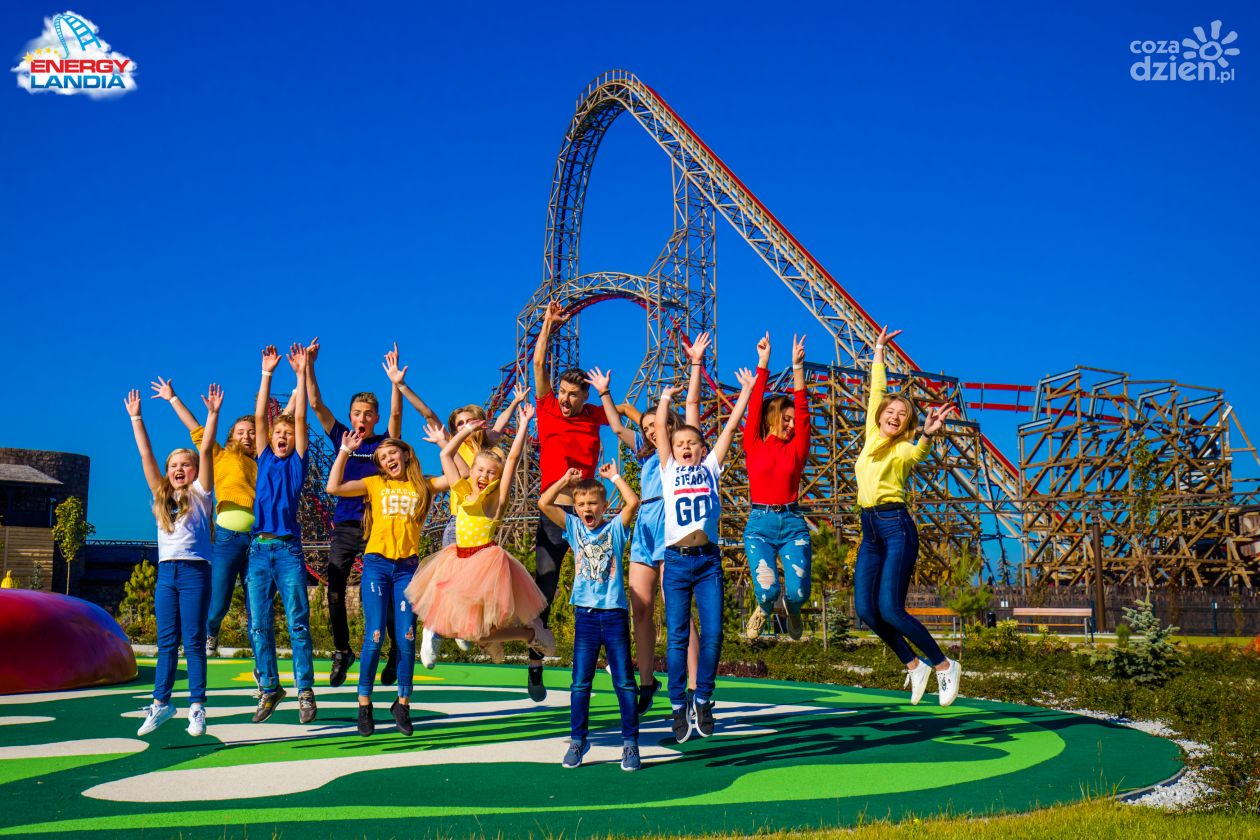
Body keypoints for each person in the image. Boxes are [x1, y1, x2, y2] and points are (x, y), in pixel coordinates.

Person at [586, 334, 708, 715]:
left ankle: (692, 687)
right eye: (649, 425)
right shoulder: (646, 455)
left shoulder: (679, 454)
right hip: (645, 527)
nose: (653, 429)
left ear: (672, 426)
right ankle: (647, 681)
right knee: (640, 607)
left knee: (678, 612)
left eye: (660, 424)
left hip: (672, 526)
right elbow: (619, 429)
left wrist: (695, 366)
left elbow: (692, 406)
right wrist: (606, 394)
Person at [854, 326, 960, 706]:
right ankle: (914, 666)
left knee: (890, 609)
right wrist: (879, 350)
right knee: (865, 609)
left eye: (903, 414)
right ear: (881, 416)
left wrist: (928, 434)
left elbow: (917, 455)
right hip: (869, 530)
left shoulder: (902, 449)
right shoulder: (871, 434)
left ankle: (945, 666)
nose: (895, 416)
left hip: (896, 525)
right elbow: (877, 390)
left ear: (908, 424)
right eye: (891, 411)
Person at [654, 364, 756, 743]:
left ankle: (705, 698)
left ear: (701, 448)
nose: (684, 447)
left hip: (708, 560)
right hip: (677, 561)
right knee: (678, 636)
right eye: (679, 443)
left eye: (691, 443)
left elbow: (729, 428)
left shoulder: (711, 467)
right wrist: (665, 400)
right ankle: (678, 704)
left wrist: (745, 391)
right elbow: (663, 435)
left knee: (714, 633)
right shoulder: (667, 470)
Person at [406, 407, 555, 665]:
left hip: (486, 567)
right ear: (471, 471)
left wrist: (523, 426)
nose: (484, 476)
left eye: (490, 473)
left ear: (496, 478)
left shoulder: (495, 502)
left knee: (481, 632)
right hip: (458, 561)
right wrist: (465, 431)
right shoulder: (462, 493)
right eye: (480, 470)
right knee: (468, 629)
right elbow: (446, 453)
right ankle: (490, 642)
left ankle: (529, 634)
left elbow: (511, 460)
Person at [326, 433, 445, 737]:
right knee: (375, 635)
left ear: (405, 454)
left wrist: (445, 445)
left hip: (407, 567)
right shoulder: (374, 484)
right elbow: (333, 487)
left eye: (393, 453)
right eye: (382, 457)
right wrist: (344, 451)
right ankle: (364, 704)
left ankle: (402, 703)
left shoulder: (423, 485)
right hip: (377, 564)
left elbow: (460, 479)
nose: (388, 460)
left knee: (406, 637)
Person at [150, 376, 274, 659]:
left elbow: (282, 426)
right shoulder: (219, 455)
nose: (247, 436)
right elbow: (196, 429)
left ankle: (261, 667)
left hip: (257, 540)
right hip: (227, 538)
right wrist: (172, 397)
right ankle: (211, 632)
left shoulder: (264, 462)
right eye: (241, 432)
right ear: (231, 436)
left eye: (252, 432)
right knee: (219, 602)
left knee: (257, 608)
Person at [124, 383, 221, 738]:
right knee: (167, 642)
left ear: (195, 470)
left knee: (192, 640)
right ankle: (162, 703)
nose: (179, 468)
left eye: (186, 464)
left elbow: (207, 448)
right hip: (167, 573)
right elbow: (146, 455)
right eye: (174, 465)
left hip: (196, 571)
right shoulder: (161, 494)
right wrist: (137, 418)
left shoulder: (201, 494)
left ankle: (197, 706)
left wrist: (212, 415)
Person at [305, 338, 403, 689]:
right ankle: (342, 650)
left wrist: (394, 382)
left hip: (379, 525)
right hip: (346, 524)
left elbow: (395, 415)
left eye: (368, 414)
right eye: (357, 414)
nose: (362, 419)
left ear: (375, 418)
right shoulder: (341, 437)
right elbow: (315, 403)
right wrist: (309, 366)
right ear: (350, 417)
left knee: (387, 590)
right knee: (334, 587)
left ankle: (395, 652)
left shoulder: (384, 445)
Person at [529, 301, 609, 700]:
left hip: (590, 515)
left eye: (573, 395)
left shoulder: (594, 414)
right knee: (545, 585)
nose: (565, 399)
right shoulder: (546, 409)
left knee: (600, 583)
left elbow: (624, 417)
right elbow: (540, 364)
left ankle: (606, 658)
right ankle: (534, 659)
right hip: (554, 512)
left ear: (585, 396)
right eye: (563, 392)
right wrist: (547, 324)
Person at [539, 465, 641, 771]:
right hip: (585, 616)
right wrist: (564, 481)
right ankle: (578, 739)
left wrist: (614, 479)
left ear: (604, 506)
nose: (587, 508)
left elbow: (633, 503)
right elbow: (544, 503)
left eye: (593, 503)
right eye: (581, 503)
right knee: (580, 683)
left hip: (614, 615)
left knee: (624, 681)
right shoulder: (573, 527)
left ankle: (630, 743)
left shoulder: (615, 530)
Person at [248, 344, 318, 724]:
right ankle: (270, 688)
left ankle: (305, 690)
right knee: (258, 623)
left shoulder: (297, 464)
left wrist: (301, 375)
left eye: (288, 434)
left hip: (289, 549)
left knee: (297, 622)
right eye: (278, 432)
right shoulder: (263, 458)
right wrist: (267, 374)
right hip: (258, 551)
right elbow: (260, 416)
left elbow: (302, 417)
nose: (282, 437)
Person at [742, 333, 813, 641]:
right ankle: (764, 606)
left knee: (798, 593)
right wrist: (763, 362)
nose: (792, 424)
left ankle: (792, 609)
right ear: (771, 419)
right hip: (760, 523)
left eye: (793, 420)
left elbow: (804, 413)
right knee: (768, 589)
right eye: (785, 419)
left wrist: (798, 367)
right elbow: (755, 405)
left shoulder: (797, 449)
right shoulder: (753, 444)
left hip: (793, 524)